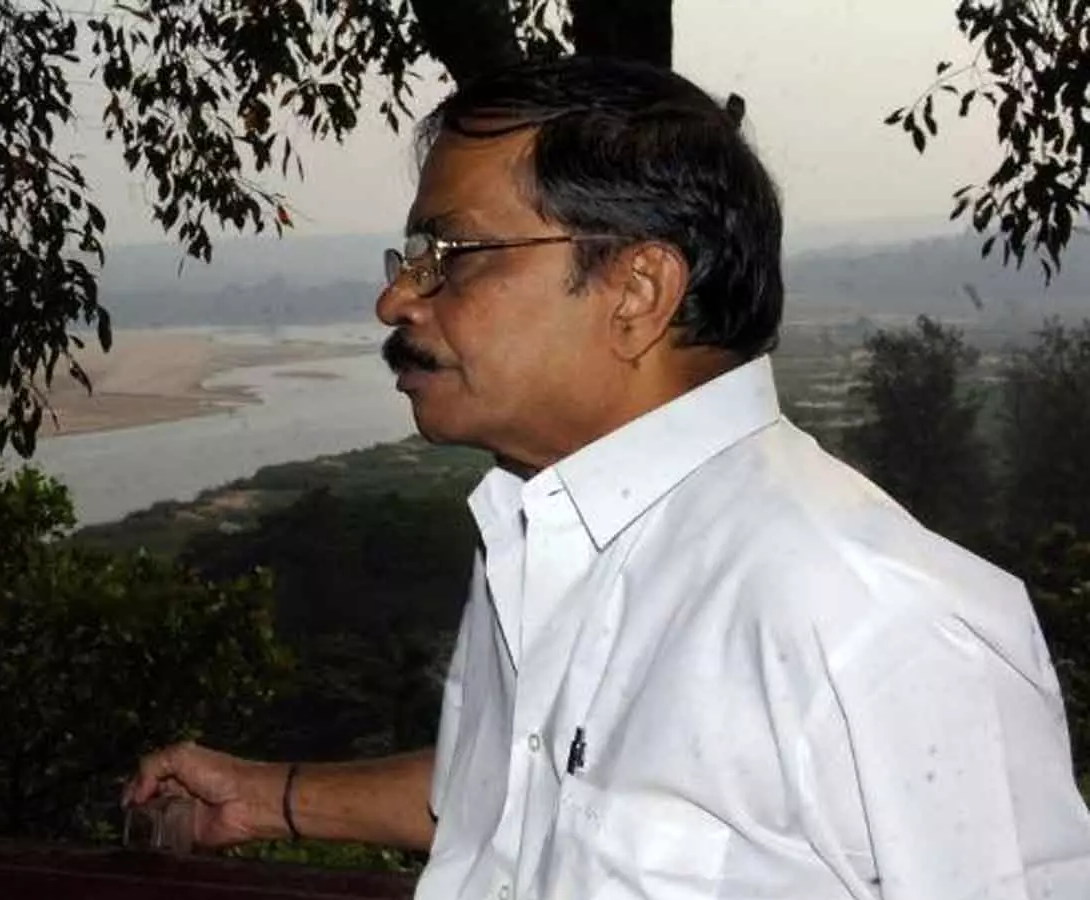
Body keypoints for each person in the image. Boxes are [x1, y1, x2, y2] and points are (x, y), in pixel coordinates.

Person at [124, 56, 1090, 899]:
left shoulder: (872, 618)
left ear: (636, 291)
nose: (396, 298)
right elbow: (535, 789)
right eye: (411, 258)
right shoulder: (541, 534)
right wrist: (271, 798)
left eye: (450, 256)